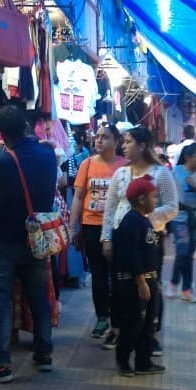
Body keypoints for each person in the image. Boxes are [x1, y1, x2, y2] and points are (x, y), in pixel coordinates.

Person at [0, 105, 58, 383]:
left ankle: (1, 364)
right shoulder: (47, 154)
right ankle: (44, 354)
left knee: (1, 301)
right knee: (38, 298)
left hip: (4, 241)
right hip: (37, 239)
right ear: (26, 126)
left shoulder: (1, 161)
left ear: (0, 133)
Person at [101, 125, 178, 350]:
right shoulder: (121, 173)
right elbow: (111, 207)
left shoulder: (160, 173)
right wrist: (106, 237)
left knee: (151, 286)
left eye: (128, 142)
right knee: (119, 285)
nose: (123, 146)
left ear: (142, 146)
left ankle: (149, 335)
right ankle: (118, 330)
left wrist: (144, 220)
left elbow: (172, 207)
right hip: (121, 238)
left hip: (149, 240)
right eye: (123, 142)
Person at [69, 123, 125, 338]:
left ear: (116, 141)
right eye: (97, 136)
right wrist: (73, 227)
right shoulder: (87, 164)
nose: (99, 140)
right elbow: (78, 197)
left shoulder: (125, 165)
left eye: (105, 137)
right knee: (98, 273)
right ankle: (102, 317)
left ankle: (117, 317)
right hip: (91, 225)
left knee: (118, 273)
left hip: (118, 227)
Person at [112, 176, 165, 376]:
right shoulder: (131, 222)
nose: (156, 200)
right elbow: (131, 254)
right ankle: (123, 360)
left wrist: (154, 281)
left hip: (149, 280)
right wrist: (141, 282)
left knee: (148, 324)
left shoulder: (144, 220)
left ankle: (144, 361)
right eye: (153, 197)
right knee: (133, 323)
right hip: (134, 282)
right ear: (142, 199)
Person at [167, 142, 196, 302]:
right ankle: (174, 283)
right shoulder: (175, 171)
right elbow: (168, 194)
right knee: (183, 251)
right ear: (187, 157)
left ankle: (186, 289)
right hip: (180, 217)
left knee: (189, 254)